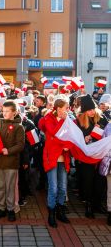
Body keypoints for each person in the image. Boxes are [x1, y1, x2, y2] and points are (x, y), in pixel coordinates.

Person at [39, 97, 71, 228]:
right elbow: (54, 132)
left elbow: (72, 136)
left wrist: (68, 146)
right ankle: (51, 213)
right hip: (51, 158)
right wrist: (64, 121)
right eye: (66, 108)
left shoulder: (68, 120)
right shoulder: (48, 119)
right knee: (53, 187)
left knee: (63, 187)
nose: (68, 110)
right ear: (58, 108)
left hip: (64, 158)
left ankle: (60, 210)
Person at [0, 100, 25, 222]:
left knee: (10, 187)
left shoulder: (19, 127)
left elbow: (21, 145)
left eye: (7, 111)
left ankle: (10, 209)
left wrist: (9, 150)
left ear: (14, 112)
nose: (4, 113)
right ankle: (1, 208)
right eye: (3, 111)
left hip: (11, 162)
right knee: (0, 186)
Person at [77, 94, 108, 218]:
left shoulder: (102, 118)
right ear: (84, 111)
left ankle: (98, 204)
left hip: (101, 154)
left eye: (93, 109)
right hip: (87, 154)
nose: (91, 112)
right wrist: (85, 137)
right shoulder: (79, 120)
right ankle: (89, 205)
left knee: (100, 180)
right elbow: (77, 138)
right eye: (89, 110)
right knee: (88, 180)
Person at [99, 122, 111, 226]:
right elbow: (103, 143)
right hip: (109, 163)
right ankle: (110, 212)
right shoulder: (109, 126)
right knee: (110, 189)